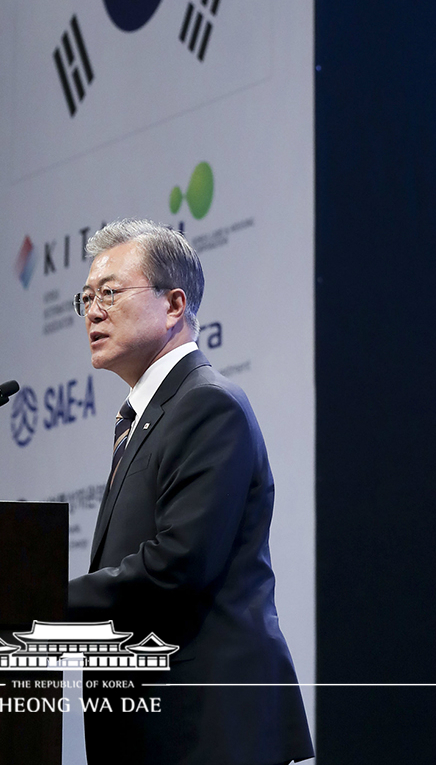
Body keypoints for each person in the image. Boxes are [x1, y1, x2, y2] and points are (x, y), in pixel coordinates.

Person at [67, 220, 313, 765]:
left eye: (109, 292)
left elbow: (177, 565)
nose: (92, 311)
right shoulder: (145, 417)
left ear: (175, 303)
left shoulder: (207, 404)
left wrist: (43, 598)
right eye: (85, 297)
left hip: (209, 731)